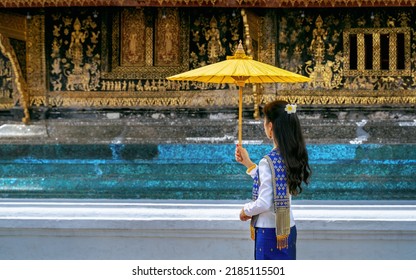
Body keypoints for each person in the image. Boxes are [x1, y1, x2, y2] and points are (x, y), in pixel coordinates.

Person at [235, 100, 311, 260]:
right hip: (286, 229)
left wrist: (246, 210)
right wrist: (248, 164)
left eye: (264, 122)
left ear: (271, 127)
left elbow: (264, 202)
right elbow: (274, 183)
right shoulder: (290, 156)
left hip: (269, 232)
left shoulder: (269, 161)